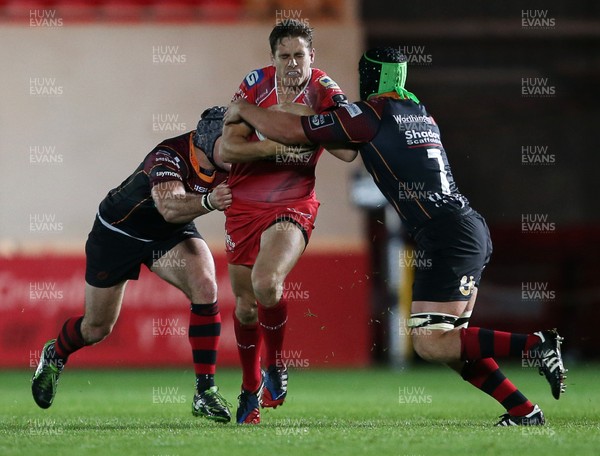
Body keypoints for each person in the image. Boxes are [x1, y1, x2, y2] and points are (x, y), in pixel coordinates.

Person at [224, 47, 568, 426]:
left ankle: (535, 345)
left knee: (429, 343)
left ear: (373, 76)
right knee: (451, 343)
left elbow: (292, 131)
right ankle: (523, 410)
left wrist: (245, 109)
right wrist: (313, 113)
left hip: (447, 234)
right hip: (462, 227)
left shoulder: (371, 115)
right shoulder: (418, 110)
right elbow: (336, 134)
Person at [31, 107, 239, 422]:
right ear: (209, 138)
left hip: (168, 235)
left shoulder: (233, 161)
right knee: (96, 328)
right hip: (118, 234)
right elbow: (169, 207)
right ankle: (55, 355)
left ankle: (204, 392)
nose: (239, 148)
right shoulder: (169, 155)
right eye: (232, 140)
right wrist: (210, 201)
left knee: (206, 285)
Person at [219, 18, 354, 424]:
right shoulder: (255, 84)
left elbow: (349, 152)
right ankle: (249, 389)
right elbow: (228, 150)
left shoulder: (326, 91)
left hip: (293, 203)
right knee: (245, 309)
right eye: (285, 56)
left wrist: (291, 129)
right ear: (273, 59)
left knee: (266, 282)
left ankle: (275, 364)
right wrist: (285, 140)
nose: (293, 63)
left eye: (300, 55)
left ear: (312, 57)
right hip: (243, 203)